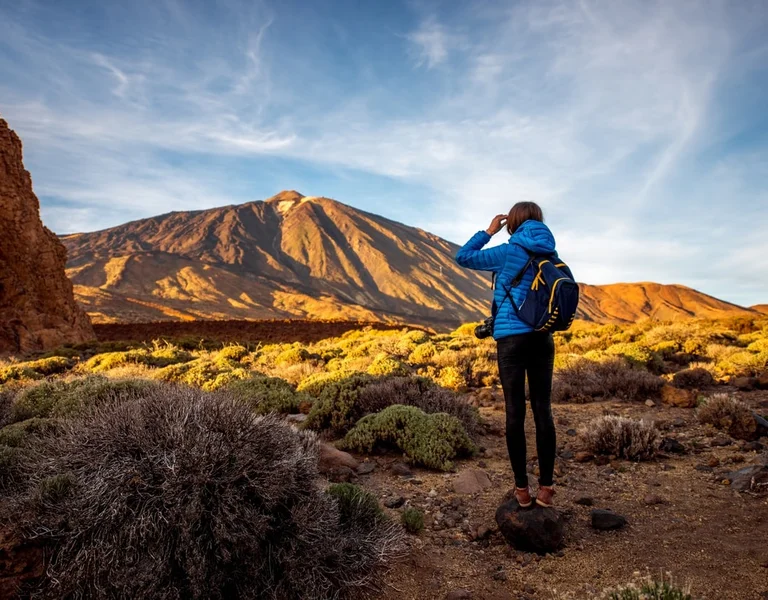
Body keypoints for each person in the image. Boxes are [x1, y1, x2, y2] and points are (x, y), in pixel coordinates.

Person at [454, 202, 558, 508]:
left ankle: (522, 491)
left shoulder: (509, 251)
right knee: (543, 410)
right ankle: (547, 489)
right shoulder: (550, 253)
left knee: (515, 411)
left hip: (511, 340)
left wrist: (488, 232)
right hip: (542, 339)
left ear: (512, 222)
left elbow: (464, 257)